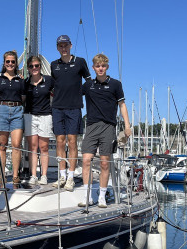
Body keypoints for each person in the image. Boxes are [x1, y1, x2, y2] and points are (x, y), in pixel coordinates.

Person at [79, 53, 132, 208]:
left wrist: (127, 126)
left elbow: (122, 105)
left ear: (107, 67)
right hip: (91, 126)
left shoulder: (116, 84)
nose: (100, 68)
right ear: (94, 68)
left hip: (108, 126)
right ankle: (87, 196)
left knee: (104, 163)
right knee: (86, 160)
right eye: (97, 66)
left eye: (103, 66)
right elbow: (72, 94)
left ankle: (101, 197)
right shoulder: (88, 85)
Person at [50, 34, 90, 191]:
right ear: (57, 48)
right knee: (60, 141)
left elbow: (88, 82)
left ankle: (71, 177)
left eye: (66, 45)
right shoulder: (54, 65)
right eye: (60, 45)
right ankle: (62, 175)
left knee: (72, 141)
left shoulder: (80, 62)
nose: (63, 48)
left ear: (71, 45)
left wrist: (81, 94)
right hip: (57, 107)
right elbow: (51, 85)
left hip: (74, 107)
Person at [0, 50, 26, 188]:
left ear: (16, 63)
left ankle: (15, 176)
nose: (10, 64)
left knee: (16, 144)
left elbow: (23, 97)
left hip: (17, 110)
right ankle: (2, 176)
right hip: (1, 110)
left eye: (13, 61)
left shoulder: (21, 80)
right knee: (2, 146)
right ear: (4, 63)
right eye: (8, 61)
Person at [24, 55, 54, 186]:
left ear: (40, 66)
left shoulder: (49, 80)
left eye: (36, 65)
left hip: (45, 116)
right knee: (33, 147)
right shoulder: (25, 83)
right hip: (30, 116)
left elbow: (57, 94)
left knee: (44, 147)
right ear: (28, 68)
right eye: (31, 66)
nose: (34, 68)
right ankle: (33, 175)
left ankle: (44, 175)